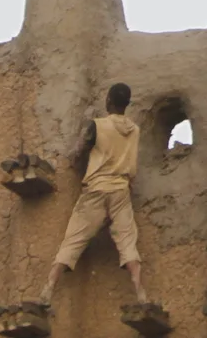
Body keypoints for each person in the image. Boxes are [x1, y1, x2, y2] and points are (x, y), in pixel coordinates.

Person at [41, 84, 147, 308]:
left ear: (108, 100)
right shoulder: (135, 130)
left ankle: (48, 289)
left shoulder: (97, 126)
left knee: (74, 238)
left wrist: (72, 158)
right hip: (120, 190)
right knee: (128, 241)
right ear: (126, 104)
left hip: (96, 190)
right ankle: (140, 292)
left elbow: (77, 154)